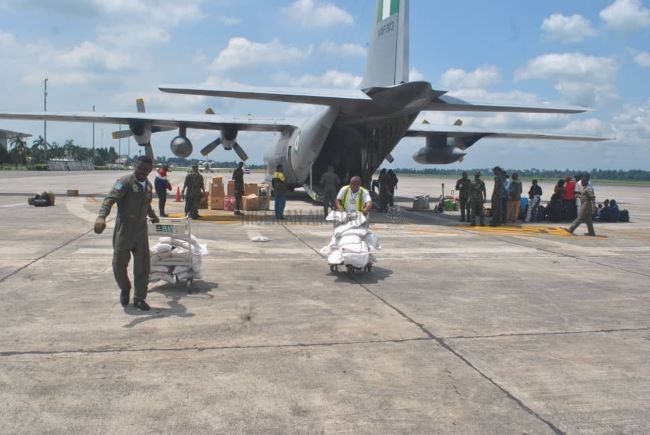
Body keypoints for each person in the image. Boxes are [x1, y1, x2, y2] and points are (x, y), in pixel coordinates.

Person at [93, 156, 159, 311]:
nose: (142, 171)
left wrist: (153, 216)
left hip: (141, 230)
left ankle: (139, 298)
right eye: (140, 168)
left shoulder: (148, 186)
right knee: (118, 263)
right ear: (136, 166)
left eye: (146, 169)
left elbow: (147, 204)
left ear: (150, 170)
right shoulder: (125, 182)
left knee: (143, 265)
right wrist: (101, 216)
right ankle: (125, 288)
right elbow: (109, 199)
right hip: (125, 228)